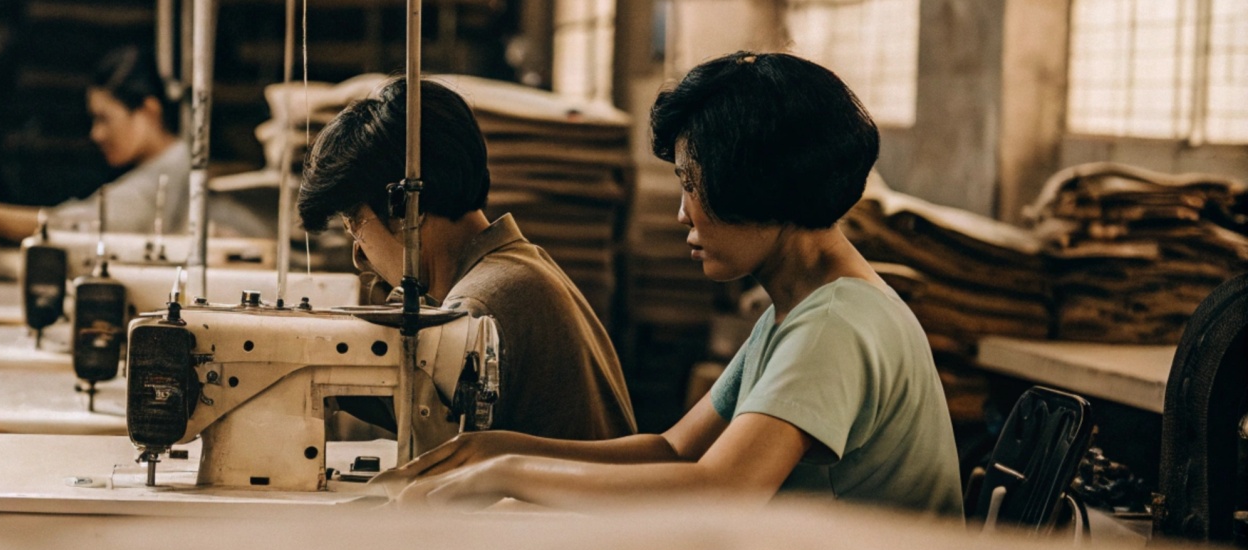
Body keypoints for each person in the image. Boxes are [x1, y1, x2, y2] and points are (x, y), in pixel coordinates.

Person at [372, 52, 964, 519]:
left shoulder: (834, 325)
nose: (683, 213)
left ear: (755, 183)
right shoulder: (800, 310)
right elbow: (675, 450)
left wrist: (506, 477)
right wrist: (498, 449)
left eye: (691, 183)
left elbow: (721, 489)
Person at [297, 78, 637, 441]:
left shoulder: (479, 309)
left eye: (355, 226)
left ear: (405, 209)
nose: (358, 257)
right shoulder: (520, 266)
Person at [0, 46, 264, 241]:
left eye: (105, 118)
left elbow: (82, 224)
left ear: (148, 111)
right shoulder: (172, 164)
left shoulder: (174, 169)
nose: (96, 134)